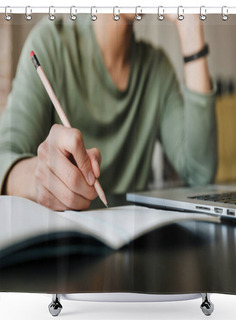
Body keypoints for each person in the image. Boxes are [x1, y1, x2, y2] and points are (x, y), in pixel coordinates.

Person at [0, 14, 217, 211]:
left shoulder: (156, 69)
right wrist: (37, 179)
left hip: (130, 247)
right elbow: (4, 157)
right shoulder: (50, 45)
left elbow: (200, 173)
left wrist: (190, 23)